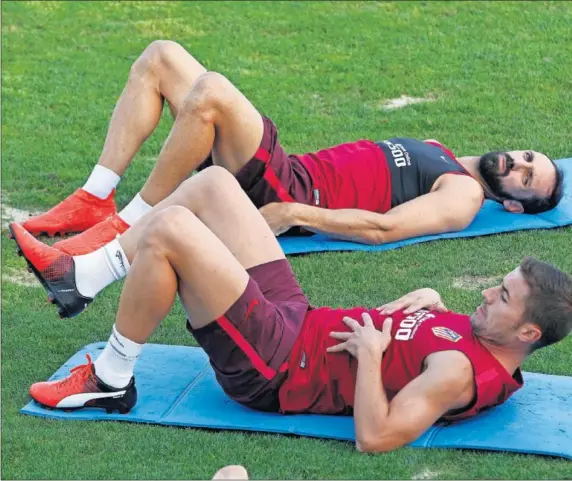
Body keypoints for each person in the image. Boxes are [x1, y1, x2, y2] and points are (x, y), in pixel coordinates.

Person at [12, 167, 572, 454]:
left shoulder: (458, 374)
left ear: (526, 329)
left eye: (501, 296)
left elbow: (375, 439)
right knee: (213, 185)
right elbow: (441, 344)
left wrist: (375, 355)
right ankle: (84, 276)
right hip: (297, 321)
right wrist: (433, 309)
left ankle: (111, 376)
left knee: (173, 230)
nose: (486, 295)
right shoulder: (477, 338)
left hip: (277, 368)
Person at [18, 41, 563, 255]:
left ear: (513, 205)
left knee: (210, 93)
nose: (518, 165)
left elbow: (386, 228)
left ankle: (131, 217)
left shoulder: (464, 195)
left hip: (290, 188)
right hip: (287, 169)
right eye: (528, 158)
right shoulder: (440, 150)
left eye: (524, 180)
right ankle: (97, 195)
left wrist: (295, 212)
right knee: (160, 58)